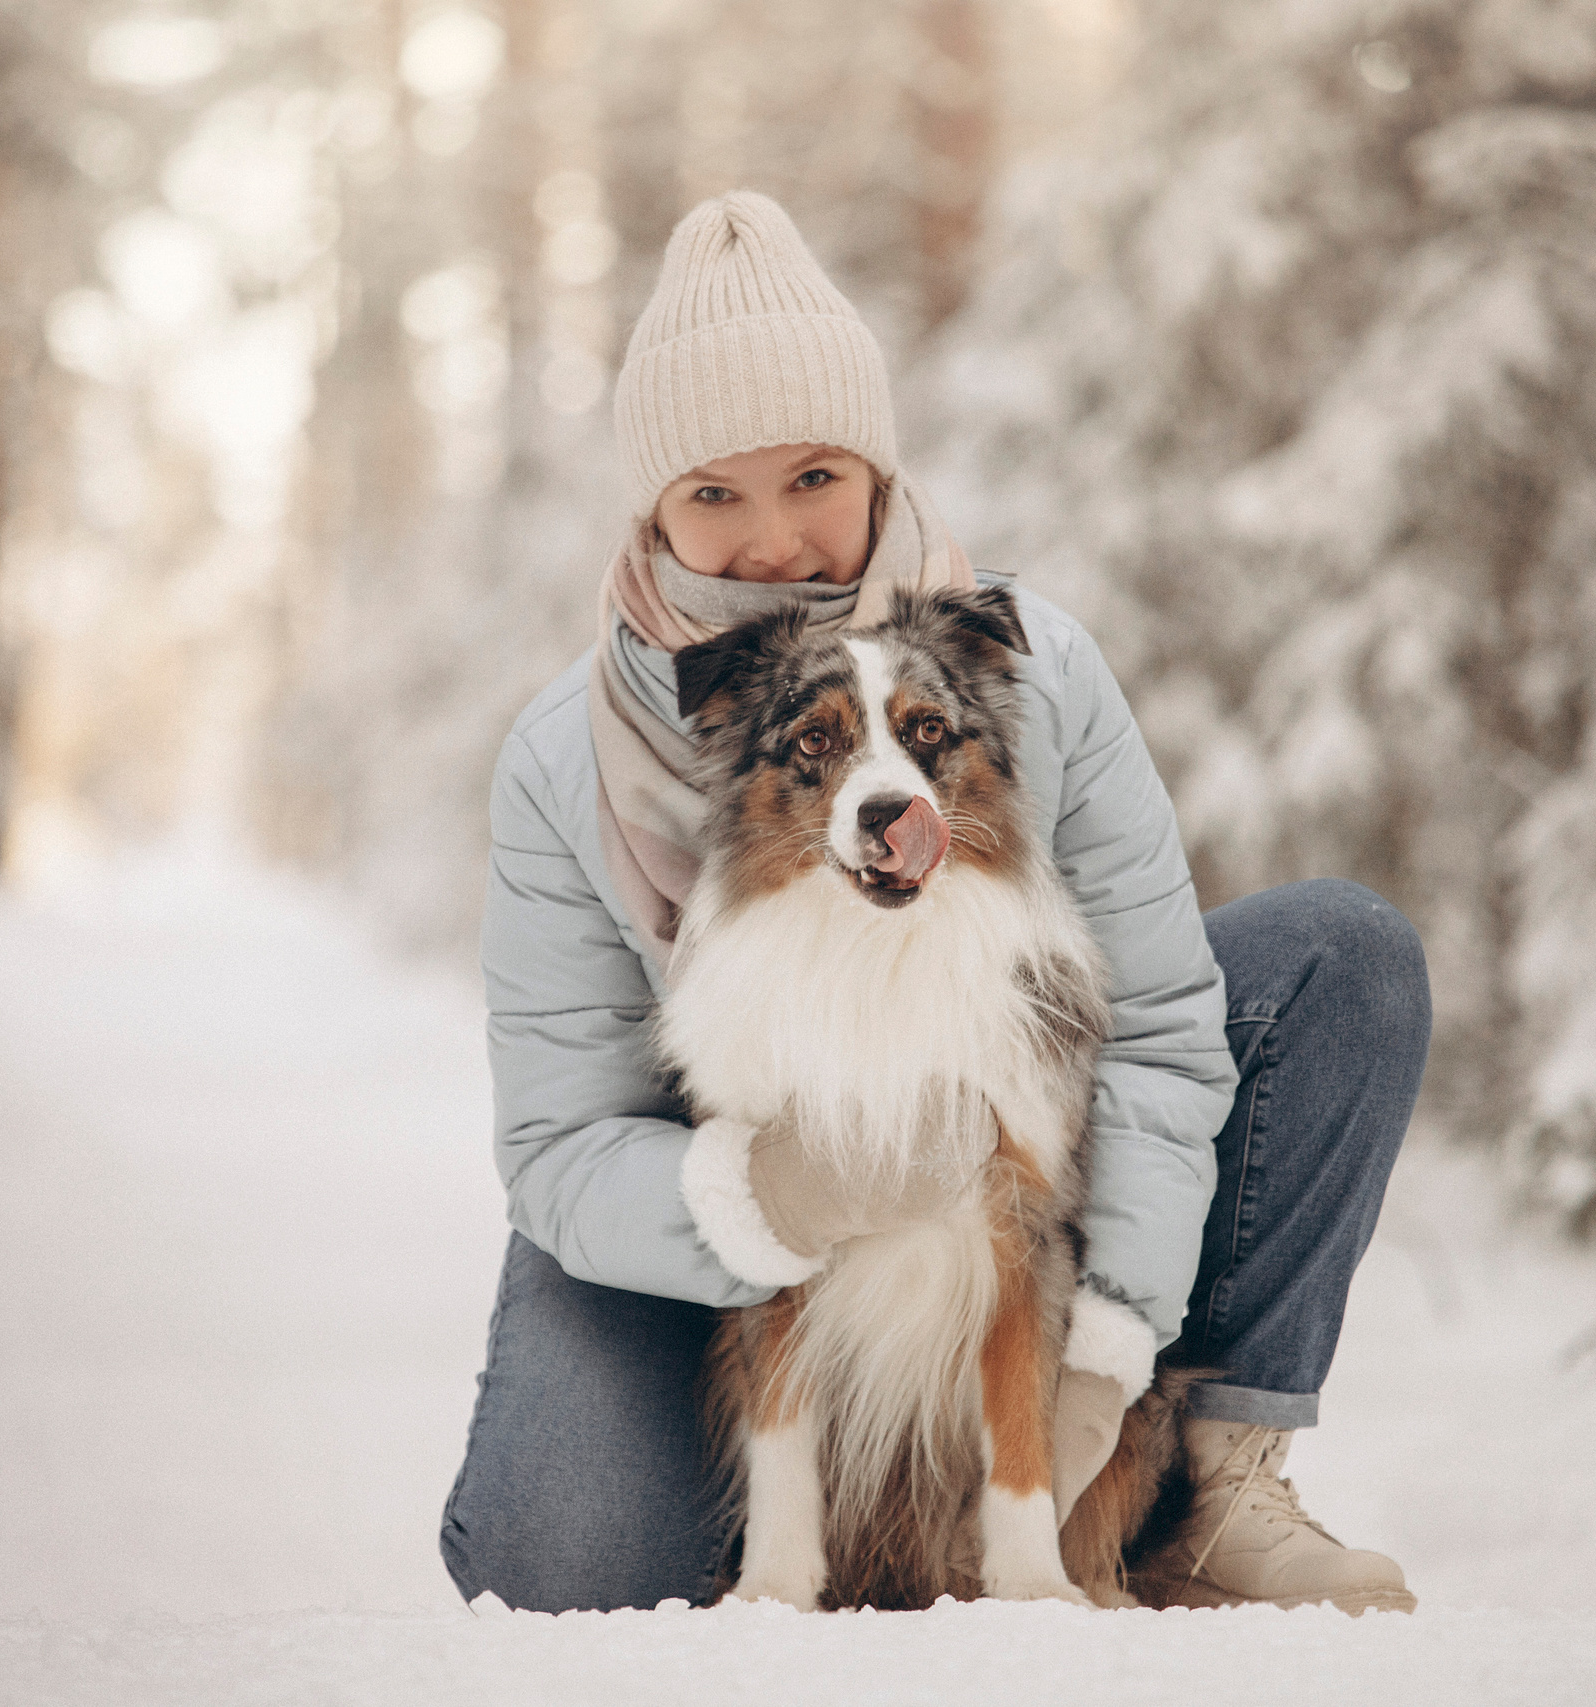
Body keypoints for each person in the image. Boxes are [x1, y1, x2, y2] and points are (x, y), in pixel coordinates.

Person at [440, 190, 1430, 1616]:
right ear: (651, 507)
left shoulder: (1026, 659)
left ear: (877, 467)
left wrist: (1106, 1344)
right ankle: (801, 1505)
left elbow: (1156, 1023)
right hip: (720, 1239)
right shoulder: (562, 754)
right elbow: (557, 1144)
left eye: (814, 476)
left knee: (1343, 953)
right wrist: (757, 1196)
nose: (776, 541)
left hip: (1010, 1175)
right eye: (714, 493)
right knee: (563, 1557)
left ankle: (1206, 1493)